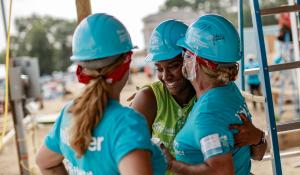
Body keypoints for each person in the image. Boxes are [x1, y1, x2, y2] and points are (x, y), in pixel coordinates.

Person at [35, 13, 166, 175]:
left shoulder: (69, 114)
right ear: (126, 62)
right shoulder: (126, 124)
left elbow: (45, 162)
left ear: (80, 69)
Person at [131, 18, 266, 175]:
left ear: (191, 60)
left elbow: (249, 157)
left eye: (174, 65)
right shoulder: (149, 98)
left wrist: (258, 137)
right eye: (159, 68)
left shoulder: (212, 105)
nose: (165, 76)